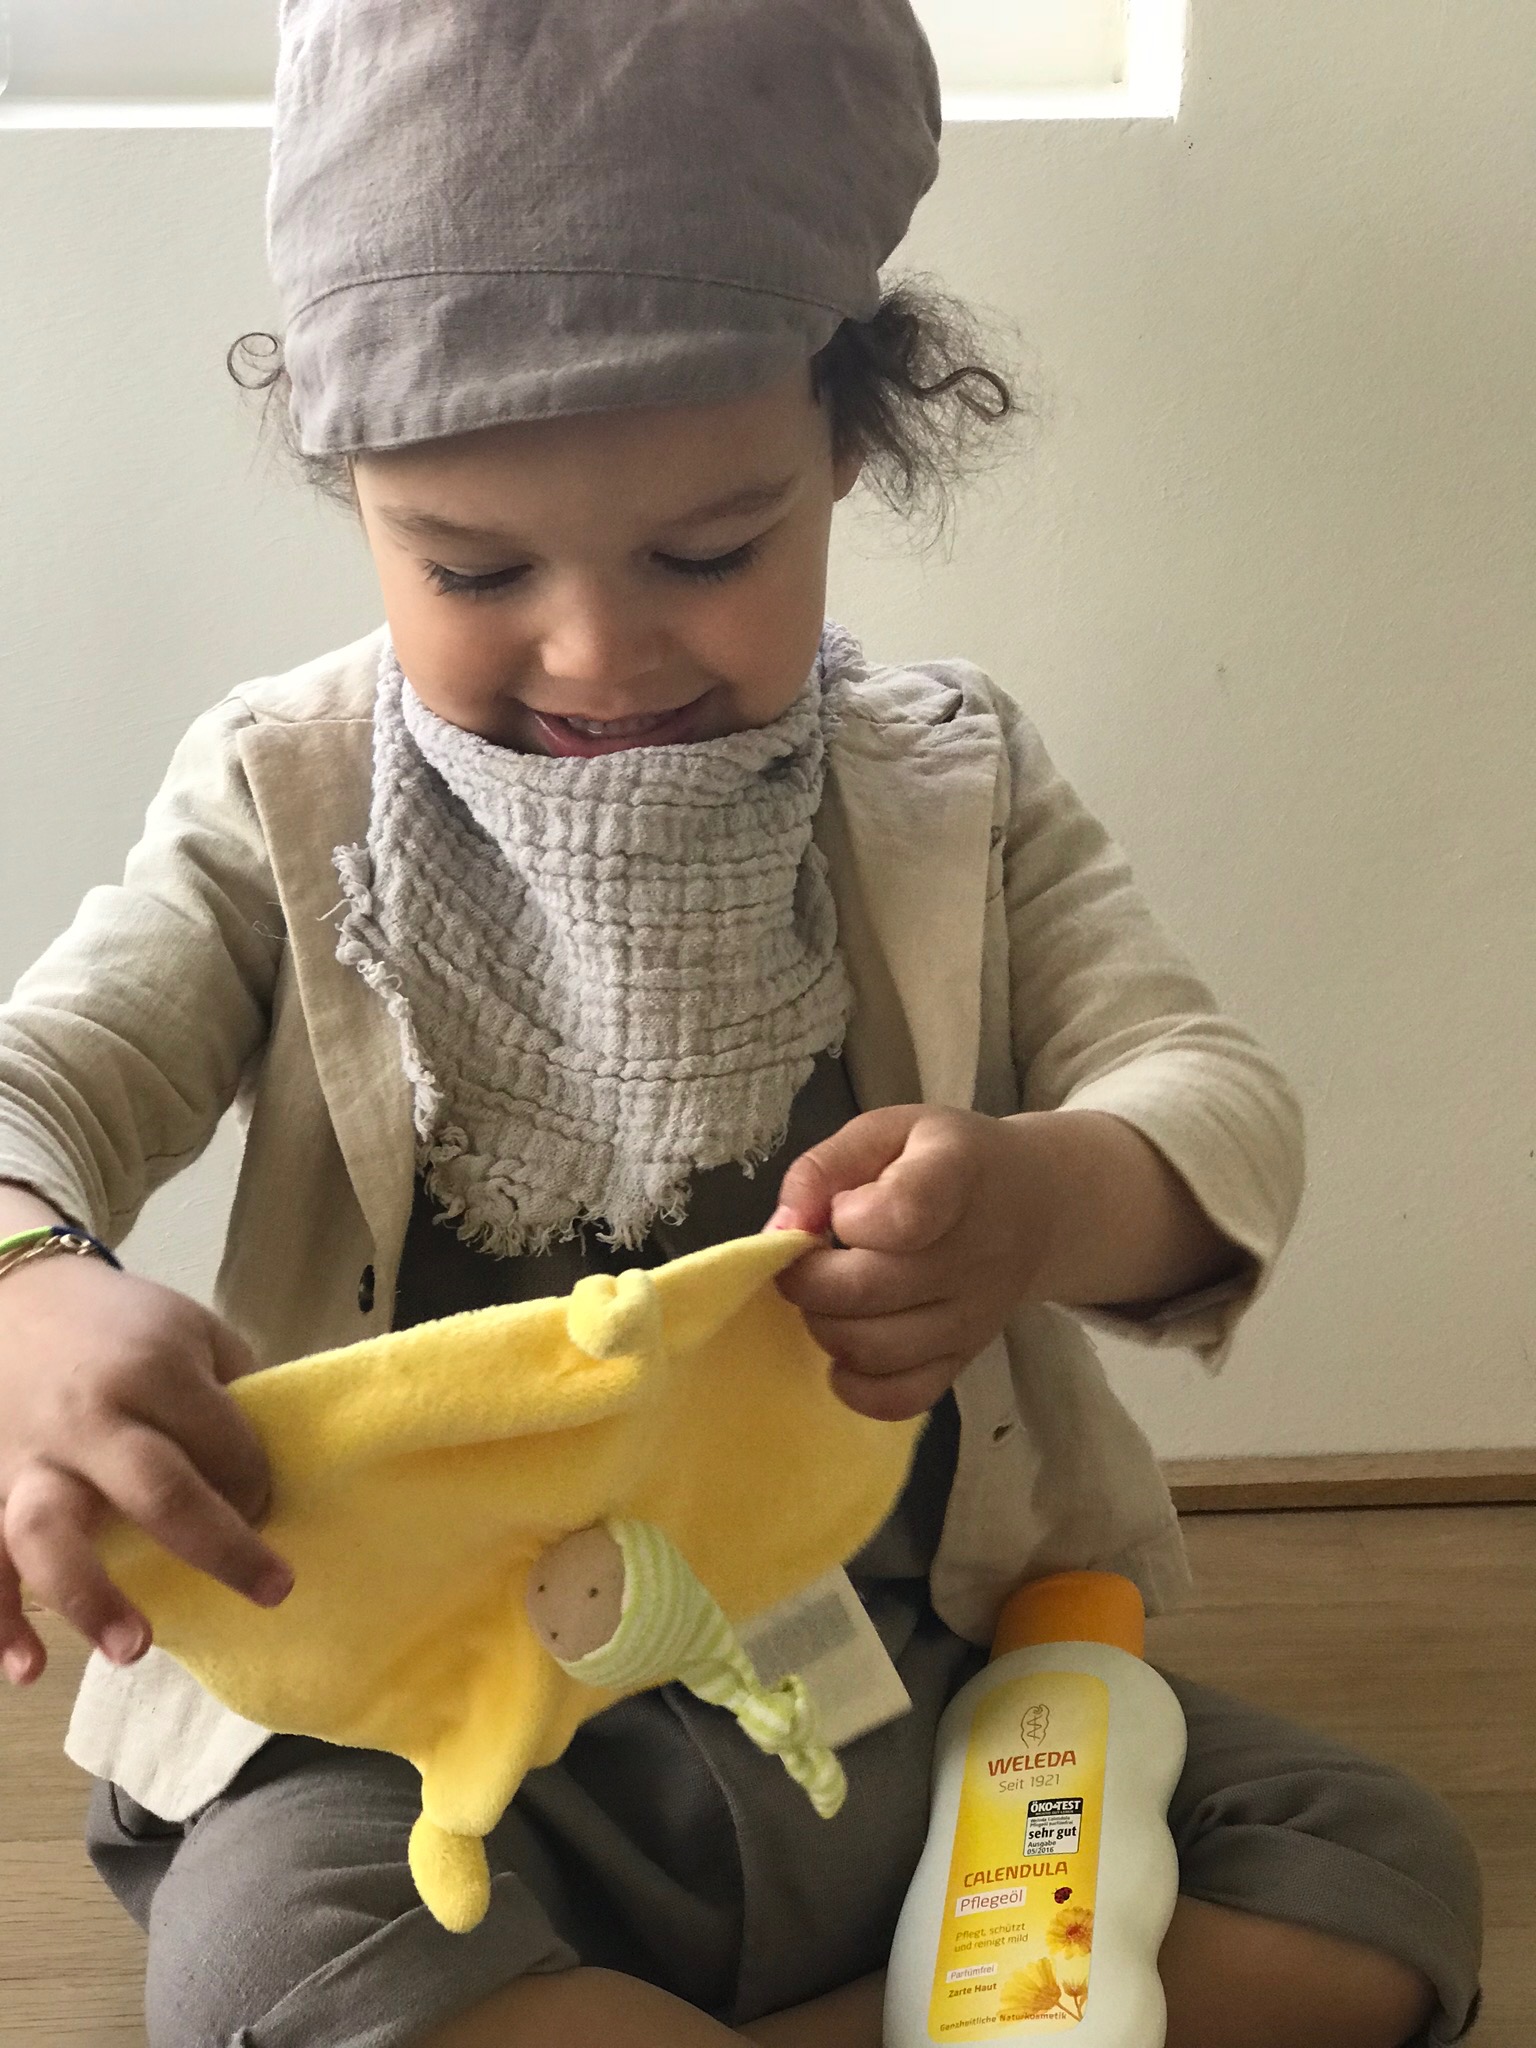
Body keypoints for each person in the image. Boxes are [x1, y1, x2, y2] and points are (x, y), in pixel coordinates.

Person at [0, 4, 1480, 2045]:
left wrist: (1042, 1200)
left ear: (847, 441)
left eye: (709, 551)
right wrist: (29, 1291)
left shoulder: (950, 785)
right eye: (472, 568)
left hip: (889, 1676)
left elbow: (1211, 1096)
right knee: (280, 1957)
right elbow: (40, 1084)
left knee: (1372, 1876)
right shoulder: (282, 795)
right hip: (422, 1722)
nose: (597, 649)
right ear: (355, 494)